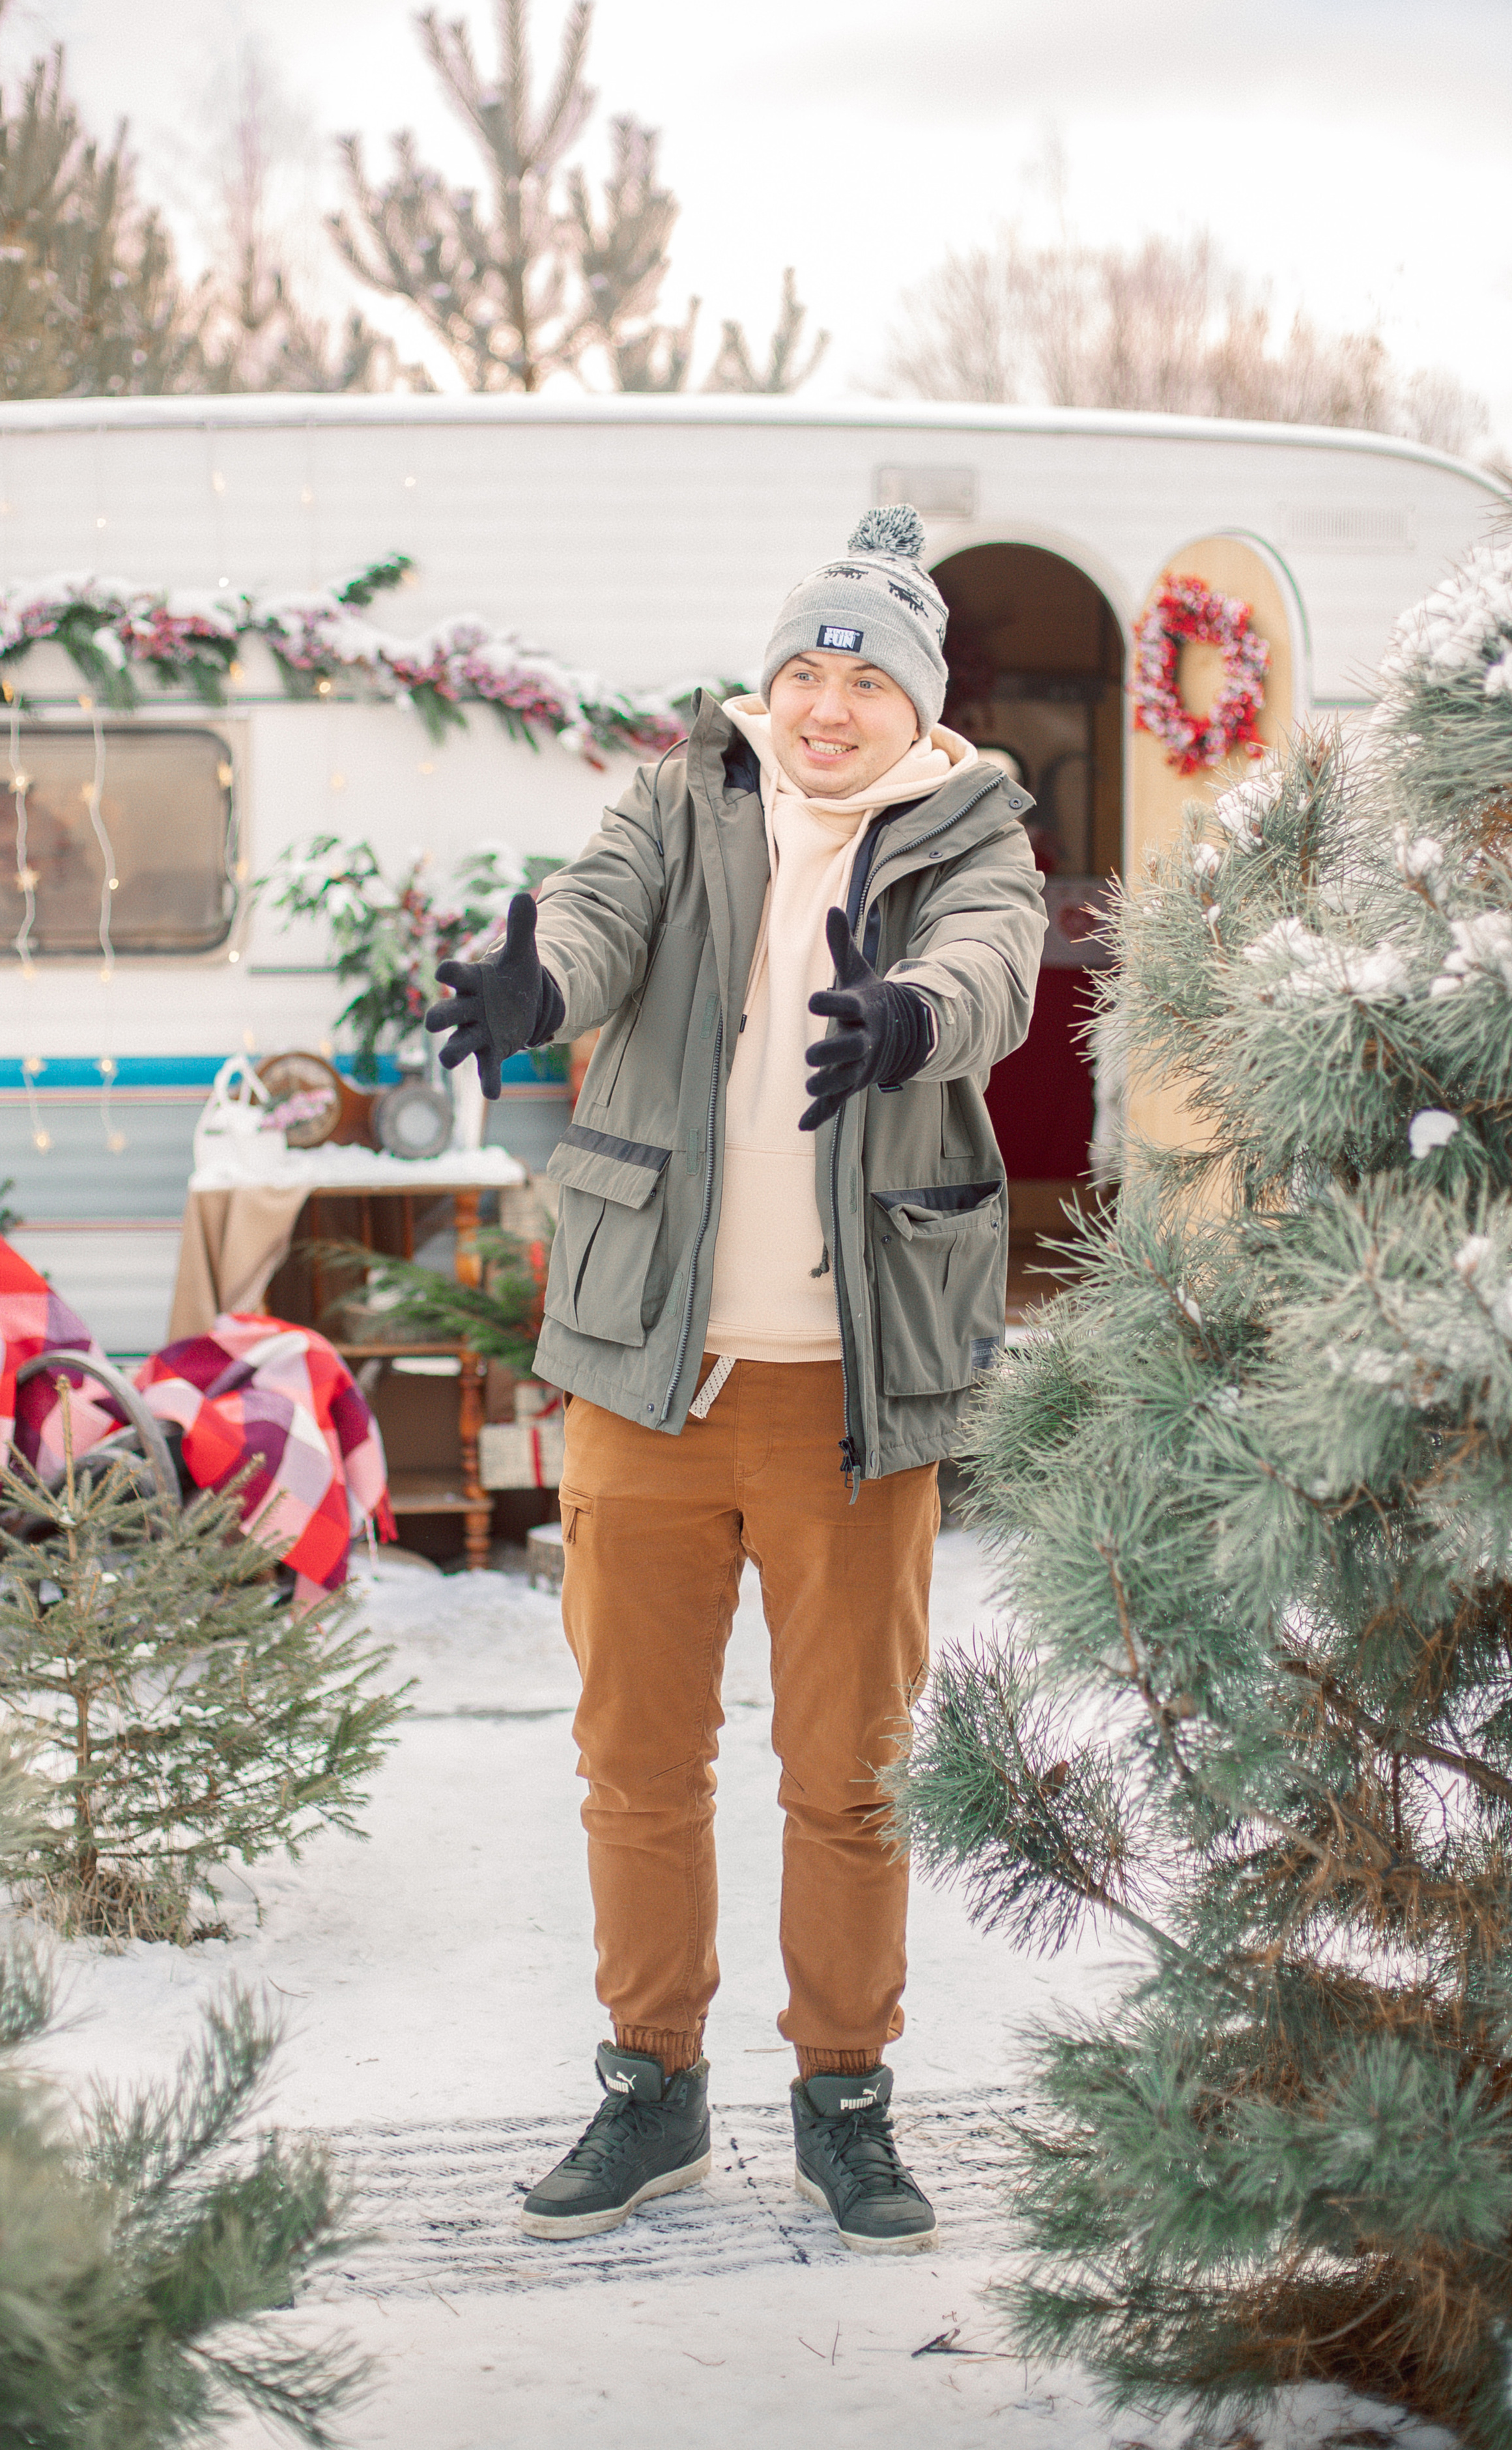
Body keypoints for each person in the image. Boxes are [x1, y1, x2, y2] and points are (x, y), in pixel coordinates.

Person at [427, 506, 1046, 2254]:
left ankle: (846, 2098)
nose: (826, 701)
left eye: (864, 675)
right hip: (649, 1376)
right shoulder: (683, 798)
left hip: (851, 1398)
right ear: (767, 683)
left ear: (918, 707)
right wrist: (536, 978)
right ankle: (653, 2092)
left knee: (847, 1772)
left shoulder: (971, 828)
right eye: (803, 667)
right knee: (637, 1755)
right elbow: (601, 917)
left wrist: (916, 1014)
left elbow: (993, 963)